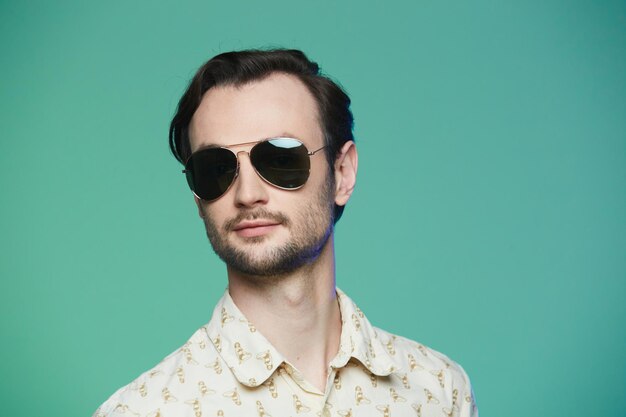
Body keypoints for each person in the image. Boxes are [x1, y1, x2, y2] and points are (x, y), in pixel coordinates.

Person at [93, 49, 479, 417]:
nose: (247, 195)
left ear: (342, 174)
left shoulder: (438, 391)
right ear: (197, 196)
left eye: (280, 159)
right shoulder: (145, 410)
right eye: (215, 169)